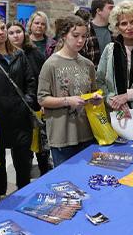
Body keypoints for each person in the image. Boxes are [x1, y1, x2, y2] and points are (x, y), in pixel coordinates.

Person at [0, 14, 37, 193]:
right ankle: (2, 194)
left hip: (21, 117)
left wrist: (28, 100)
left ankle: (24, 193)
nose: (1, 32)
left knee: (23, 163)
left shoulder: (19, 54)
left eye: (3, 28)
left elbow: (30, 81)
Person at [38, 15, 101, 167]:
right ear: (64, 36)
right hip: (62, 135)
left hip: (87, 133)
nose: (80, 40)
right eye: (75, 35)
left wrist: (96, 98)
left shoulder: (88, 64)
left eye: (84, 36)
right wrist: (67, 101)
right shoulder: (51, 64)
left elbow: (92, 91)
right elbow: (42, 99)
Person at [7, 20, 52, 176]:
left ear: (24, 33)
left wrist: (45, 101)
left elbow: (44, 79)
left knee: (41, 147)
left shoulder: (35, 53)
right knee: (21, 149)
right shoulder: (5, 56)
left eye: (18, 32)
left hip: (36, 106)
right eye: (11, 33)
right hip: (17, 109)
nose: (15, 36)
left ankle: (45, 173)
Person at [80, 0, 115, 67]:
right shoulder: (84, 30)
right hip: (90, 75)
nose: (114, 11)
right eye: (110, 8)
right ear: (99, 11)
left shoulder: (115, 31)